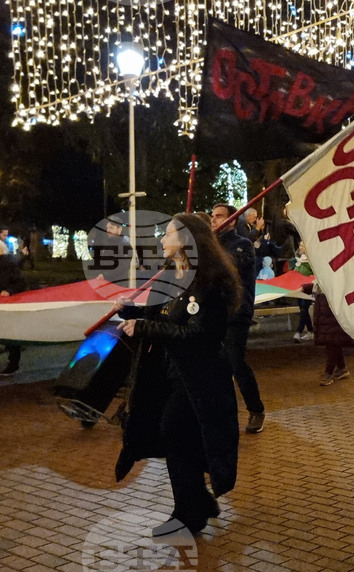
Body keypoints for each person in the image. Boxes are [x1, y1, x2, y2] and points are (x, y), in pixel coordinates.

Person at [115, 213, 241, 537]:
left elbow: (197, 336)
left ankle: (188, 514)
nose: (162, 240)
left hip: (201, 379)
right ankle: (197, 502)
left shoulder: (209, 283)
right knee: (178, 437)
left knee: (173, 428)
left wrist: (144, 327)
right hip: (172, 374)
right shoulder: (172, 276)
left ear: (185, 239)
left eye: (168, 234)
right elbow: (161, 314)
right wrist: (131, 312)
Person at [211, 204, 266, 435]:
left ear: (232, 220)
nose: (213, 220)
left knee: (235, 362)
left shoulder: (243, 245)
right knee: (213, 365)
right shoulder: (210, 245)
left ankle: (256, 409)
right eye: (212, 216)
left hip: (235, 314)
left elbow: (226, 266)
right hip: (213, 314)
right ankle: (219, 415)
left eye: (219, 216)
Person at [309, 282, 354, 385]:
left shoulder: (333, 284)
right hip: (328, 318)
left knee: (332, 345)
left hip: (331, 318)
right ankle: (342, 368)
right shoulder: (323, 283)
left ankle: (328, 373)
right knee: (333, 343)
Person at [0, 247, 28, 375]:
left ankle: (13, 364)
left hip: (8, 306)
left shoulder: (9, 265)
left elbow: (20, 283)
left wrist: (9, 291)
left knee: (11, 335)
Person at [292, 241, 314, 342]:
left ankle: (298, 332)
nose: (300, 247)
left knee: (304, 308)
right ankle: (310, 331)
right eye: (300, 245)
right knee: (302, 309)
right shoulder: (299, 259)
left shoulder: (311, 260)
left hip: (307, 289)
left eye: (302, 245)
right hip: (299, 288)